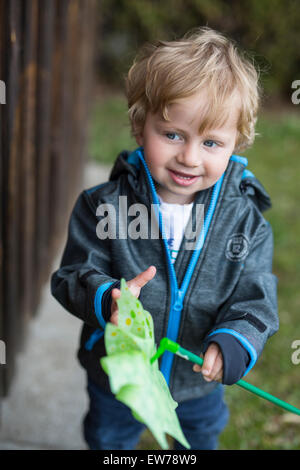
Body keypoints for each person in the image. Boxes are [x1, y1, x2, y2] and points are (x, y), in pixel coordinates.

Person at [51, 27, 279, 450]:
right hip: (118, 374)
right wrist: (107, 298)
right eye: (172, 135)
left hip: (196, 384)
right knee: (109, 440)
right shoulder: (104, 207)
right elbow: (72, 275)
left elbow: (255, 295)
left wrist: (236, 340)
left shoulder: (244, 221)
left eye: (211, 142)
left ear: (236, 145)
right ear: (140, 128)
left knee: (195, 443)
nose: (190, 157)